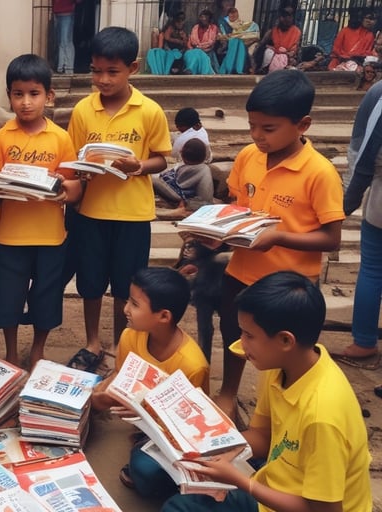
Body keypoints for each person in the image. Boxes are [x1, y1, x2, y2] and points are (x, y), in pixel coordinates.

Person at [161, 271, 372, 512]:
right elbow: (263, 435)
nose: (241, 343)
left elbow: (324, 510)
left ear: (285, 341)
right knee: (166, 473)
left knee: (176, 508)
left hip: (294, 502)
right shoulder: (284, 364)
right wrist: (220, 451)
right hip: (275, 479)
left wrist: (241, 482)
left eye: (249, 335)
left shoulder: (322, 416)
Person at [213, 70, 344, 419]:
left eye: (268, 128)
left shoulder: (319, 172)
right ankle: (228, 393)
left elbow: (332, 238)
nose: (258, 136)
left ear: (303, 125)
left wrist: (279, 237)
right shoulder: (248, 157)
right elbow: (238, 206)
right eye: (252, 126)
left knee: (282, 349)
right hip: (241, 271)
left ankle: (279, 412)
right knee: (235, 335)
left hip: (289, 286)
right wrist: (216, 230)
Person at [66, 27, 172, 373]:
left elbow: (161, 159)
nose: (103, 79)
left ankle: (118, 345)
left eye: (112, 71)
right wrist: (83, 171)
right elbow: (74, 157)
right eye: (96, 71)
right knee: (91, 283)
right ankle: (92, 342)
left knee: (126, 286)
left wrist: (138, 166)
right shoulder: (83, 110)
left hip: (133, 215)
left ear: (133, 68)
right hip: (92, 212)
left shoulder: (149, 111)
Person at [0, 53, 81, 369]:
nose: (26, 102)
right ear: (9, 96)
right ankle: (12, 352)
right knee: (8, 298)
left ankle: (38, 349)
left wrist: (63, 188)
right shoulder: (0, 139)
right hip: (9, 236)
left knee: (47, 297)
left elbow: (74, 187)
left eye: (34, 93)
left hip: (50, 236)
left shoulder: (60, 138)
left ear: (48, 96)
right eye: (18, 94)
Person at [90, 267, 209, 498]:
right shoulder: (130, 336)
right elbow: (120, 375)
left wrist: (146, 414)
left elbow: (193, 424)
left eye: (134, 304)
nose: (125, 309)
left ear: (163, 316)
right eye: (128, 300)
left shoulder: (193, 365)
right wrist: (102, 397)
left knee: (145, 472)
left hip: (173, 433)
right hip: (142, 423)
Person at [337, 80, 382, 362]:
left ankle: (364, 341)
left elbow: (363, 159)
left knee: (373, 269)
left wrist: (346, 205)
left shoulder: (379, 93)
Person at [152, 138, 214, 212]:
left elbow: (205, 200)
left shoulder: (202, 170)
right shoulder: (198, 168)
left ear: (182, 155)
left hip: (181, 198)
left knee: (152, 179)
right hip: (179, 196)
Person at [254, 6, 301, 74]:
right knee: (268, 52)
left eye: (289, 16)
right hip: (270, 60)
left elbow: (295, 50)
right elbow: (261, 45)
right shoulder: (272, 31)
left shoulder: (296, 32)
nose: (285, 19)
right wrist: (271, 48)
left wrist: (288, 54)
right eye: (283, 16)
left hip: (289, 59)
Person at [216, 7, 259, 74]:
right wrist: (229, 36)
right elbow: (221, 36)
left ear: (237, 15)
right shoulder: (224, 24)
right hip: (230, 42)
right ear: (228, 15)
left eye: (235, 15)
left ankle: (239, 69)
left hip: (241, 42)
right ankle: (230, 68)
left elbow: (248, 33)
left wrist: (237, 35)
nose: (233, 16)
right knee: (235, 41)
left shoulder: (242, 23)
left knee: (239, 42)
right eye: (231, 15)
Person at [184, 10, 218, 75]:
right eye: (202, 17)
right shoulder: (195, 27)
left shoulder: (213, 28)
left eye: (205, 17)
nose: (203, 19)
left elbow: (211, 42)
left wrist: (199, 47)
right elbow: (193, 41)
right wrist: (198, 48)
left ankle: (191, 70)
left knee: (199, 53)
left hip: (207, 51)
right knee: (194, 54)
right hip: (192, 50)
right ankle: (189, 70)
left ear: (209, 19)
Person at [52, 0, 79, 74]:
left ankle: (67, 68)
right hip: (58, 13)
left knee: (66, 41)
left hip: (67, 13)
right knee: (60, 42)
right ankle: (61, 67)